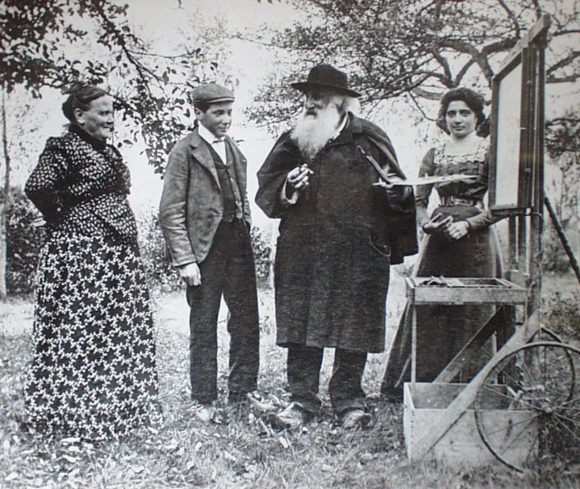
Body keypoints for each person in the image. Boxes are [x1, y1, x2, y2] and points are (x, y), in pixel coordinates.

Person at [256, 64, 417, 430]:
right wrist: (289, 185)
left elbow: (399, 189)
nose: (310, 102)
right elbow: (266, 187)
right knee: (301, 325)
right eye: (308, 95)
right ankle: (301, 401)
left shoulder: (368, 139)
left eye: (320, 96)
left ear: (341, 101)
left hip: (357, 252)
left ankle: (349, 401)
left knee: (353, 325)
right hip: (304, 250)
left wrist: (396, 195)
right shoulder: (294, 140)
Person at [23, 84, 159, 440]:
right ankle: (77, 415)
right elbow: (37, 186)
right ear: (79, 116)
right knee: (84, 330)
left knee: (116, 330)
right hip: (84, 255)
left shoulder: (108, 151)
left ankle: (119, 409)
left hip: (116, 252)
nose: (111, 119)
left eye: (113, 112)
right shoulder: (62, 147)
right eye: (103, 112)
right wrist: (62, 217)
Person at [381, 87, 503, 399]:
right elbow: (419, 201)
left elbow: (501, 204)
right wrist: (427, 224)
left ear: (477, 117)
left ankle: (476, 385)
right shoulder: (434, 154)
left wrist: (469, 225)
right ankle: (421, 383)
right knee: (430, 304)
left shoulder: (489, 152)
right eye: (451, 113)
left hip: (476, 241)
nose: (457, 119)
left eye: (464, 113)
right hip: (438, 241)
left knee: (475, 308)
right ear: (444, 118)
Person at [159, 83, 259, 419]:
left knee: (246, 320)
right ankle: (203, 398)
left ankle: (243, 391)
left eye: (229, 112)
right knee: (204, 323)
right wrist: (185, 260)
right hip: (205, 251)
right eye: (218, 113)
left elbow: (242, 195)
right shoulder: (184, 151)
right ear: (199, 113)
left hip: (238, 245)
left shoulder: (233, 148)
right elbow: (170, 211)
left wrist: (245, 222)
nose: (226, 119)